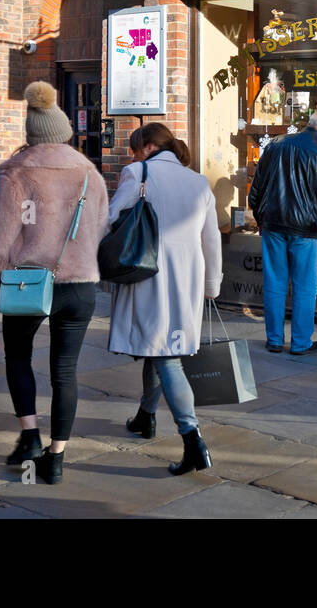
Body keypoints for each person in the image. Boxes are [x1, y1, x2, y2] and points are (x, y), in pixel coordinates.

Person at [0, 82, 108, 485]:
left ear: (30, 134)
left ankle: (29, 434)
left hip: (28, 283)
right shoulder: (88, 174)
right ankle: (56, 458)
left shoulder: (14, 174)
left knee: (17, 357)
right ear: (64, 131)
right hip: (79, 285)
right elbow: (99, 228)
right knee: (66, 371)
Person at [109, 123, 222, 476]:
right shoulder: (198, 181)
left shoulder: (136, 173)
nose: (132, 156)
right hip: (187, 277)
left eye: (134, 148)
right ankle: (145, 417)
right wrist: (212, 284)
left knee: (165, 356)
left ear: (146, 146)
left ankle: (193, 441)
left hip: (148, 272)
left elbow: (110, 219)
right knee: (158, 347)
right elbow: (212, 239)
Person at [247, 110, 317, 355]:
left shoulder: (275, 145)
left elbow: (256, 188)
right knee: (305, 287)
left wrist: (261, 217)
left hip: (273, 224)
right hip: (307, 229)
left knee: (274, 283)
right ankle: (301, 342)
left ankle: (275, 339)